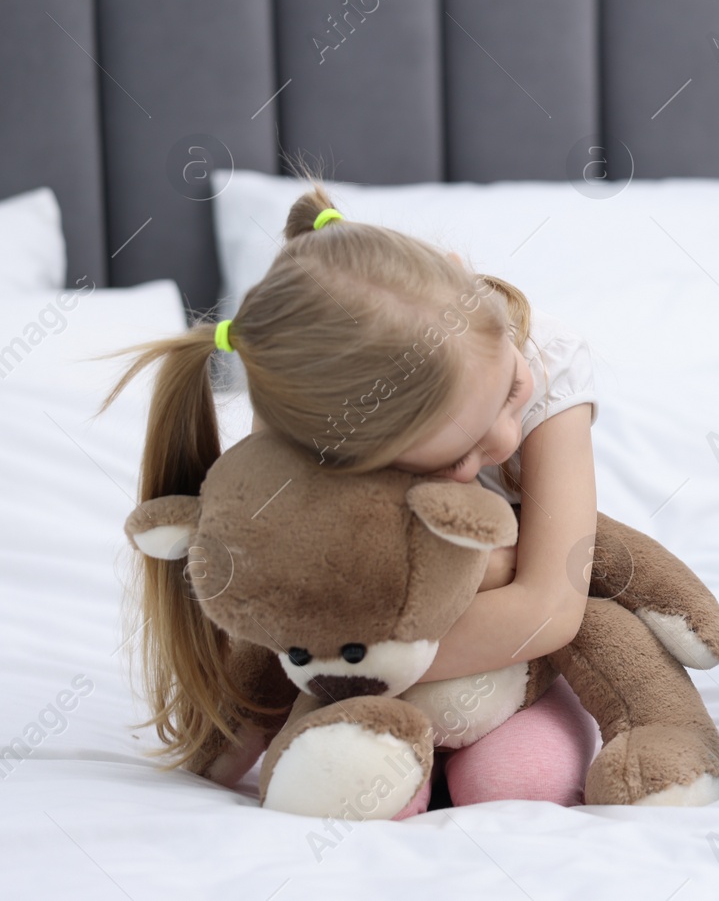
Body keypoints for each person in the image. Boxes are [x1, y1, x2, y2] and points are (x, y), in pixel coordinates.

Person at [103, 184, 601, 812]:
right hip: (357, 687)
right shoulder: (310, 425)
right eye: (456, 459)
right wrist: (346, 676)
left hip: (508, 669)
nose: (504, 440)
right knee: (358, 794)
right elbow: (290, 591)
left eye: (508, 392)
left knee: (514, 791)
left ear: (461, 280)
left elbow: (551, 606)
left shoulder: (548, 357)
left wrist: (361, 658)